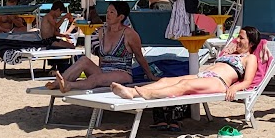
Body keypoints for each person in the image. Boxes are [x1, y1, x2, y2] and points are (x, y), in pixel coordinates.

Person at [109, 27, 261, 101]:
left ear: (251, 42)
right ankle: (133, 92)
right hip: (204, 76)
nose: (237, 40)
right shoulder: (232, 53)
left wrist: (235, 87)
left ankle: (149, 94)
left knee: (184, 86)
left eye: (241, 38)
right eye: (238, 37)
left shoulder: (250, 58)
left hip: (219, 82)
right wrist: (227, 53)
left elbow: (247, 81)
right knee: (165, 80)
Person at [43, 2, 154, 91]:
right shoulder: (102, 32)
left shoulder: (130, 35)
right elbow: (100, 56)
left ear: (121, 17)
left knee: (96, 78)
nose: (108, 15)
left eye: (112, 12)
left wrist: (150, 75)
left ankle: (69, 85)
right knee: (84, 60)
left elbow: (139, 57)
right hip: (103, 71)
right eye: (107, 11)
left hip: (122, 72)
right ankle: (58, 83)